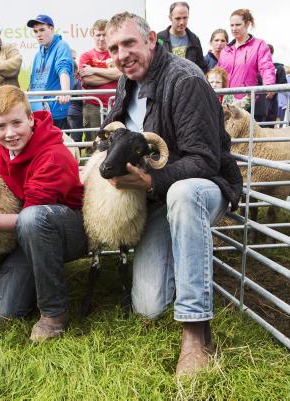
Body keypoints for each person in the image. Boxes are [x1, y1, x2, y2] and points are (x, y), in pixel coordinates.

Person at [103, 11, 242, 376]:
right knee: (148, 306)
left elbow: (205, 160)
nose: (122, 54)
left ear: (151, 40)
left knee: (183, 193)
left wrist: (151, 182)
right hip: (156, 199)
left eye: (130, 43)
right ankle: (182, 263)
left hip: (202, 188)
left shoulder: (185, 80)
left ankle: (197, 333)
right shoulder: (126, 81)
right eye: (115, 47)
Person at [0, 85, 86, 342]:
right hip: (28, 234)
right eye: (1, 127)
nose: (9, 133)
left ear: (31, 118)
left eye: (17, 123)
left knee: (33, 220)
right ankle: (35, 276)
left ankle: (54, 312)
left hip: (68, 228)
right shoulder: (0, 151)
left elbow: (26, 218)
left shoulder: (52, 157)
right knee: (5, 312)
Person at [217, 9, 276, 122]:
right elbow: (218, 73)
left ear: (247, 24)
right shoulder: (226, 50)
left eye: (238, 25)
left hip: (249, 102)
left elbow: (266, 66)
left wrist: (269, 84)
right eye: (232, 25)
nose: (234, 29)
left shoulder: (259, 45)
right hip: (226, 103)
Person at [27, 14, 74, 130]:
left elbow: (63, 69)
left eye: (42, 30)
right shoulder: (38, 54)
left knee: (57, 146)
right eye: (36, 31)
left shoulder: (61, 46)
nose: (39, 34)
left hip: (53, 111)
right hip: (36, 111)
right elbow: (33, 80)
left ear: (52, 29)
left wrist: (65, 92)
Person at [78, 19, 121, 142]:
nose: (101, 38)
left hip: (116, 104)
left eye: (104, 34)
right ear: (93, 34)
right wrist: (112, 75)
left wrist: (94, 70)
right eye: (98, 35)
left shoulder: (116, 53)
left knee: (116, 142)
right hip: (93, 106)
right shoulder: (86, 56)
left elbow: (121, 73)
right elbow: (87, 80)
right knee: (94, 142)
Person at [157, 2, 206, 73]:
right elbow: (153, 65)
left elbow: (201, 66)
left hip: (189, 83)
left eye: (185, 18)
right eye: (178, 18)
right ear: (170, 18)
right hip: (165, 82)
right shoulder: (160, 38)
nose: (182, 22)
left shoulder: (194, 39)